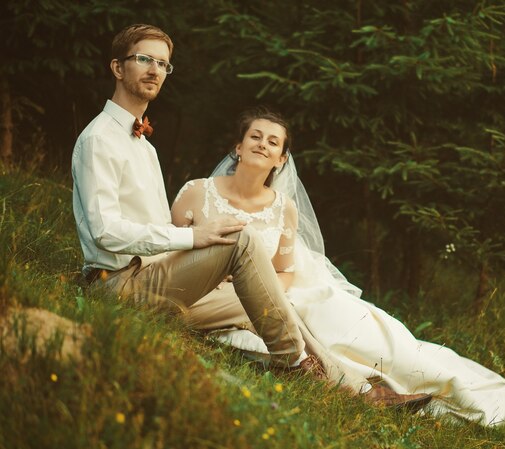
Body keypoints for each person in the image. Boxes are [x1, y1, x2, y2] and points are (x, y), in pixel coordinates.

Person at [71, 24, 428, 412]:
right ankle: (295, 364)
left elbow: (157, 228)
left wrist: (198, 256)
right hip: (118, 285)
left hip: (156, 278)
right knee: (241, 239)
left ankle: (360, 391)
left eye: (163, 63)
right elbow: (105, 232)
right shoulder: (99, 140)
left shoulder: (145, 146)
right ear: (118, 68)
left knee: (272, 303)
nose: (155, 70)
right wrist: (196, 239)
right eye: (144, 59)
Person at [171, 108, 505, 427]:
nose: (262, 144)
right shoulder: (197, 192)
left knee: (368, 331)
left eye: (273, 142)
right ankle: (355, 388)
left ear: (281, 159)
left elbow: (283, 270)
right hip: (204, 291)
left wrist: (263, 287)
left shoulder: (283, 208)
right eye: (255, 136)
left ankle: (385, 379)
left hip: (265, 292)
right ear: (237, 147)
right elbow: (171, 251)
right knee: (288, 319)